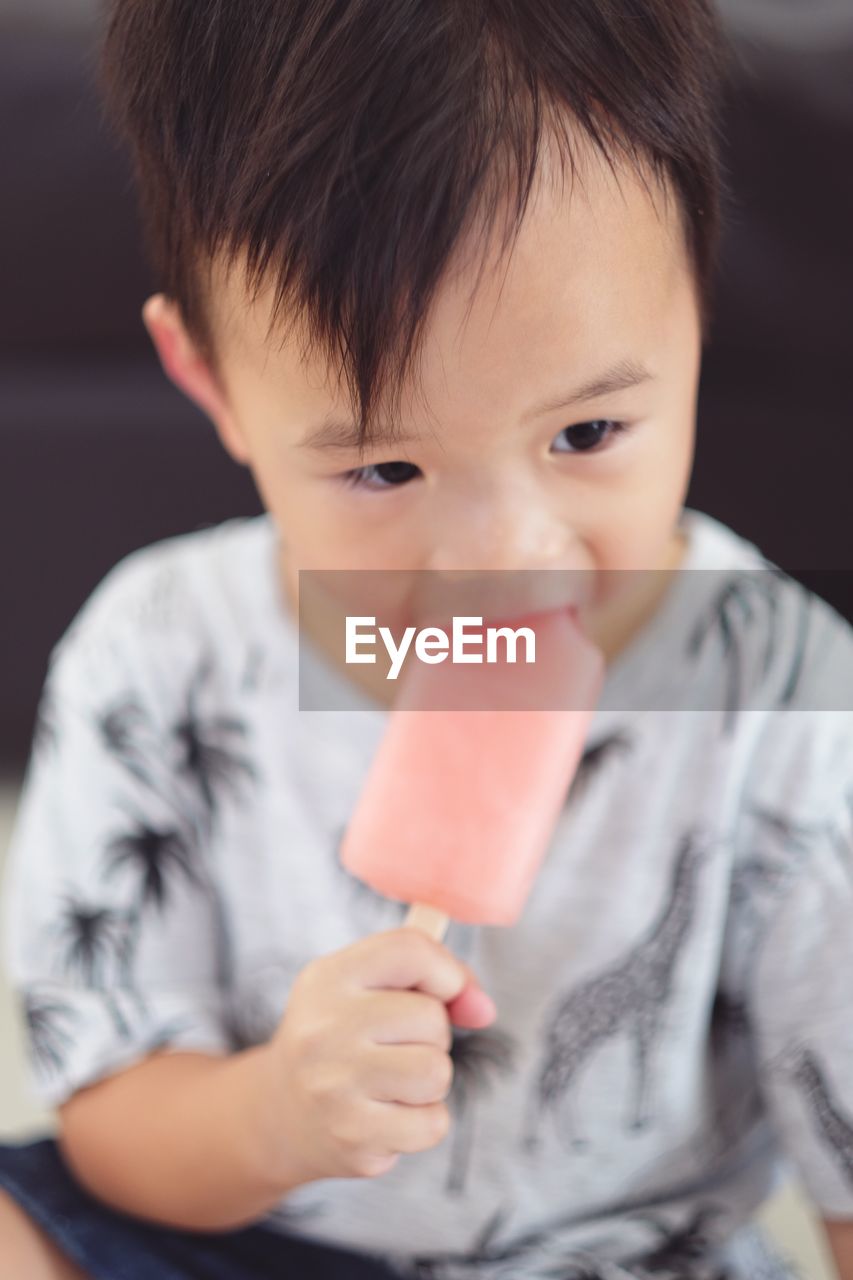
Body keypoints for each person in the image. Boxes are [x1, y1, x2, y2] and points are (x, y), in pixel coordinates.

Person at [1, 1, 851, 1277]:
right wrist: (276, 1109)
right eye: (387, 466)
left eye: (586, 437)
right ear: (212, 383)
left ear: (693, 303)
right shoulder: (155, 646)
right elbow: (113, 1116)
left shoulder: (783, 689)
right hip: (243, 1231)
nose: (504, 553)